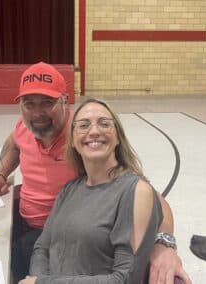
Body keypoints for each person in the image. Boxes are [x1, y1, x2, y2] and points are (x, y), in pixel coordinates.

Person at [0, 62, 191, 284]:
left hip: (80, 242)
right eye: (28, 103)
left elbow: (148, 197)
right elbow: (14, 143)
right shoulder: (25, 127)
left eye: (47, 103)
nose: (37, 113)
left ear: (64, 101)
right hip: (36, 234)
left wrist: (163, 244)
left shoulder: (86, 140)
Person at [20, 98, 163, 283]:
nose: (94, 131)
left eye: (104, 124)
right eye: (84, 125)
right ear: (72, 140)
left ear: (118, 137)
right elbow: (42, 247)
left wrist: (42, 283)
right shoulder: (69, 189)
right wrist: (38, 278)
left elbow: (125, 278)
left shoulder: (136, 191)